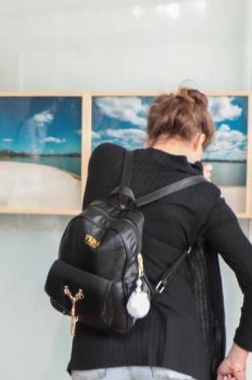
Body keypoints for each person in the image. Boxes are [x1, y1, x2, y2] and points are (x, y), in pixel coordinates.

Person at [69, 88, 252, 380]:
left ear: (151, 130)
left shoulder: (105, 160)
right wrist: (237, 357)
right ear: (199, 139)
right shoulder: (203, 196)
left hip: (95, 355)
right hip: (172, 354)